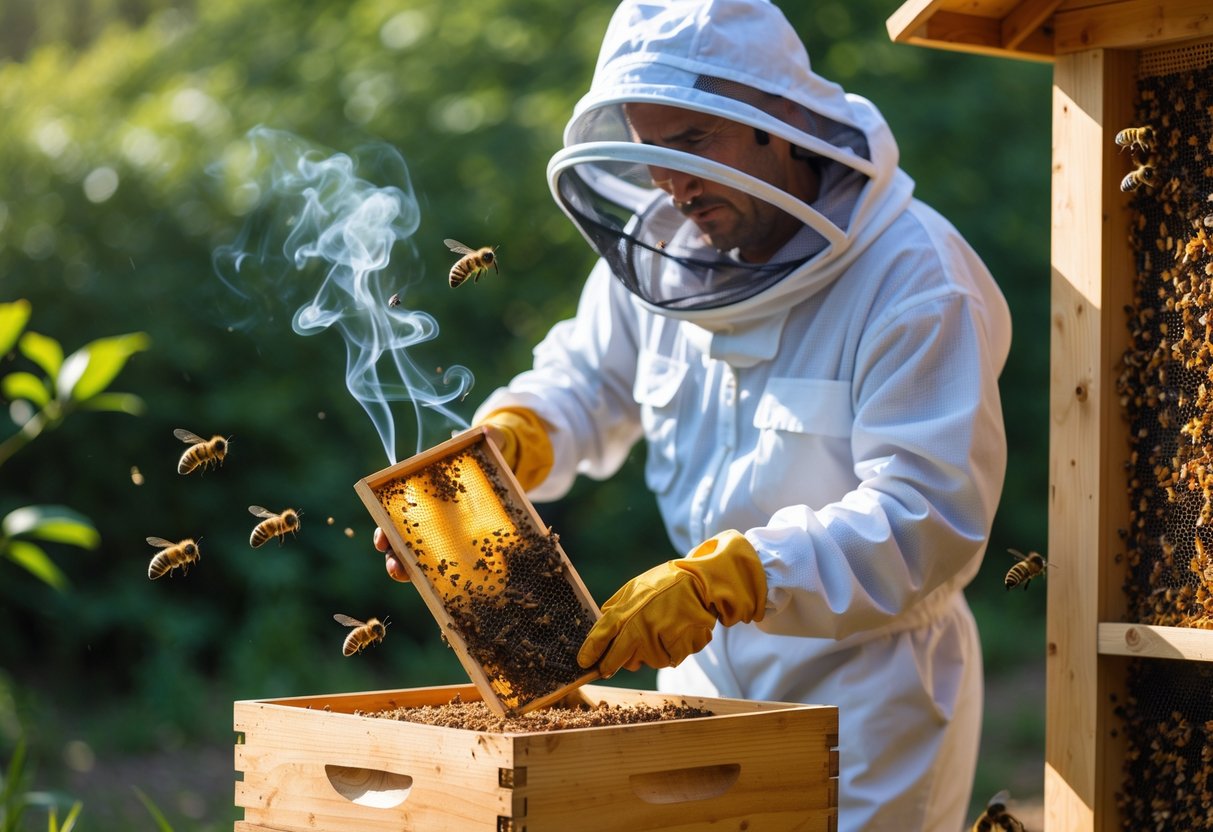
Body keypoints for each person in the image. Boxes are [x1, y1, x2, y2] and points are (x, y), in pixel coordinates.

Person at [377, 1, 1011, 829]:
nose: (672, 183)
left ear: (777, 121)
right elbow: (584, 381)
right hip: (700, 679)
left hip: (865, 693)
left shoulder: (916, 280)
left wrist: (737, 575)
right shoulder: (661, 251)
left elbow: (924, 519)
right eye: (650, 150)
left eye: (691, 143)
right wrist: (512, 439)